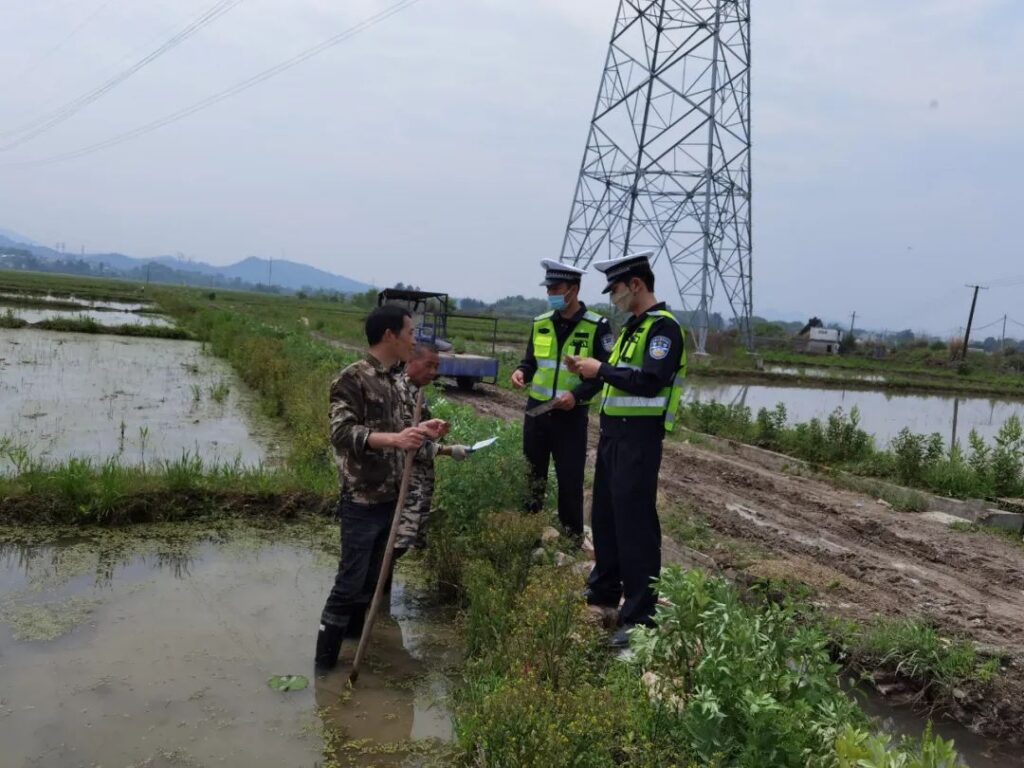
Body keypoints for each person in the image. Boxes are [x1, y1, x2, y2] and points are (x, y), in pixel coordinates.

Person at [564, 251, 687, 648]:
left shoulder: (664, 330)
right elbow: (614, 379)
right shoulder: (632, 328)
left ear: (636, 284)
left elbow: (650, 381)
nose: (612, 296)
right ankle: (603, 588)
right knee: (605, 515)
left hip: (640, 437)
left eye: (615, 288)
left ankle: (639, 616)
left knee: (635, 525)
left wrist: (599, 369)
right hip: (614, 434)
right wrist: (585, 378)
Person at [315, 305, 448, 671]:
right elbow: (341, 433)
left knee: (372, 584)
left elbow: (403, 430)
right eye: (409, 332)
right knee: (349, 584)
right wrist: (395, 438)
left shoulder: (393, 381)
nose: (413, 339)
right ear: (390, 335)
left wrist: (424, 431)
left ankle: (355, 653)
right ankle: (324, 670)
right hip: (362, 499)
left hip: (391, 498)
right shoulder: (352, 378)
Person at [510, 259, 613, 538]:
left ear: (574, 289)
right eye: (549, 288)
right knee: (532, 475)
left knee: (570, 479)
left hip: (571, 415)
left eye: (556, 288)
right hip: (537, 412)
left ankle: (571, 539)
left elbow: (605, 374)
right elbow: (531, 361)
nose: (551, 294)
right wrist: (521, 371)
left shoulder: (597, 326)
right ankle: (527, 533)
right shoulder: (541, 323)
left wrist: (577, 396)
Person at [393, 341, 470, 552]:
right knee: (393, 547)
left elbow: (418, 434)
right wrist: (448, 450)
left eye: (436, 367)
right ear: (410, 360)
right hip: (404, 487)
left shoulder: (418, 393)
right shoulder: (399, 393)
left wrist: (432, 432)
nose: (433, 372)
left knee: (401, 548)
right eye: (428, 365)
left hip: (417, 486)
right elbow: (410, 443)